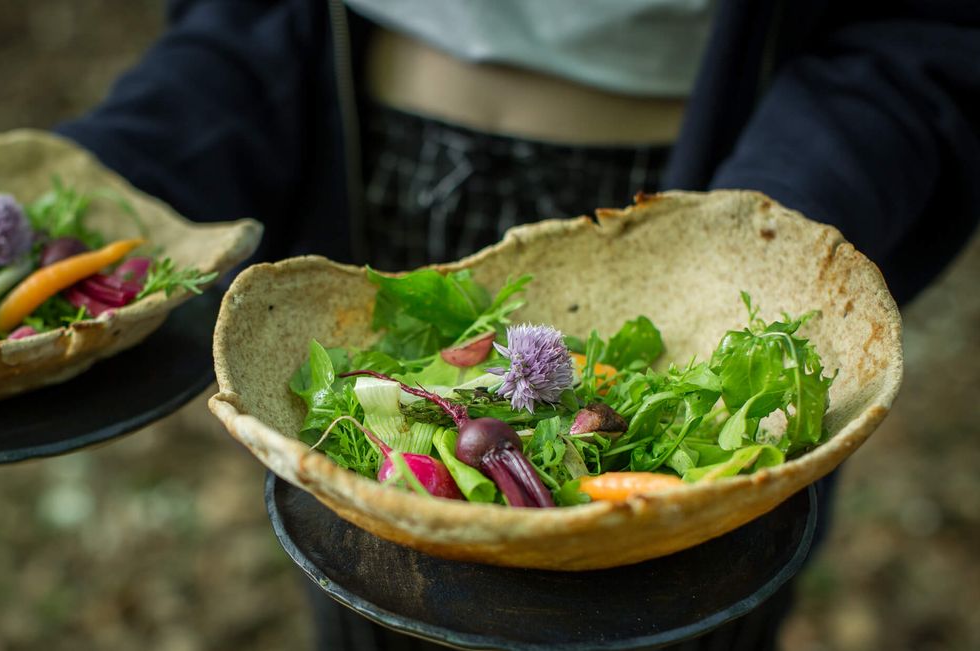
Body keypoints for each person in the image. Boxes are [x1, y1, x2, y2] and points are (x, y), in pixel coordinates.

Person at [56, 1, 980, 648]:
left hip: (716, 194)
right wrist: (128, 162)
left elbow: (927, 31)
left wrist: (759, 237)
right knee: (380, 599)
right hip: (365, 176)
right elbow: (247, 21)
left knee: (683, 612)